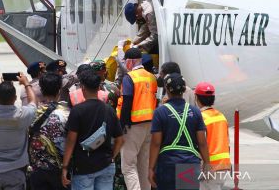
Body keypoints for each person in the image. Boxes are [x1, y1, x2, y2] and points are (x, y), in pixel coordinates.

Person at [62, 70, 124, 190]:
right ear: (99, 87)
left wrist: (65, 167)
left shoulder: (77, 111)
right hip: (106, 165)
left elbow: (71, 141)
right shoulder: (109, 110)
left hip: (83, 167)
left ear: (83, 87)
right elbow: (120, 139)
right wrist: (112, 157)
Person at [148, 73, 210, 190]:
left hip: (167, 164)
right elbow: (202, 142)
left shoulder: (160, 112)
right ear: (184, 89)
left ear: (167, 89)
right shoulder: (195, 111)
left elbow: (156, 143)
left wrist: (151, 168)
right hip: (190, 163)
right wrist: (207, 163)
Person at [0, 74, 36, 190]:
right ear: (15, 98)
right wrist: (26, 83)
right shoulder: (23, 115)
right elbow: (33, 102)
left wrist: (2, 88)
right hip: (16, 171)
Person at [116, 48, 157, 190]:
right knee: (143, 165)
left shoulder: (130, 77)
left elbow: (127, 102)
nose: (125, 64)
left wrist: (121, 128)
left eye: (126, 61)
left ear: (131, 61)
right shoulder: (151, 77)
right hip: (150, 126)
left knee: (128, 166)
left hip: (133, 126)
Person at [28, 72, 69, 190]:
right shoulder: (67, 113)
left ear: (41, 89)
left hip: (37, 168)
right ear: (59, 89)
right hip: (59, 169)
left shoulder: (31, 113)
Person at [195, 82, 231, 190]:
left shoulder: (200, 117)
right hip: (224, 166)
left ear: (196, 98)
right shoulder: (221, 116)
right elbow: (227, 142)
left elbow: (201, 143)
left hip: (209, 167)